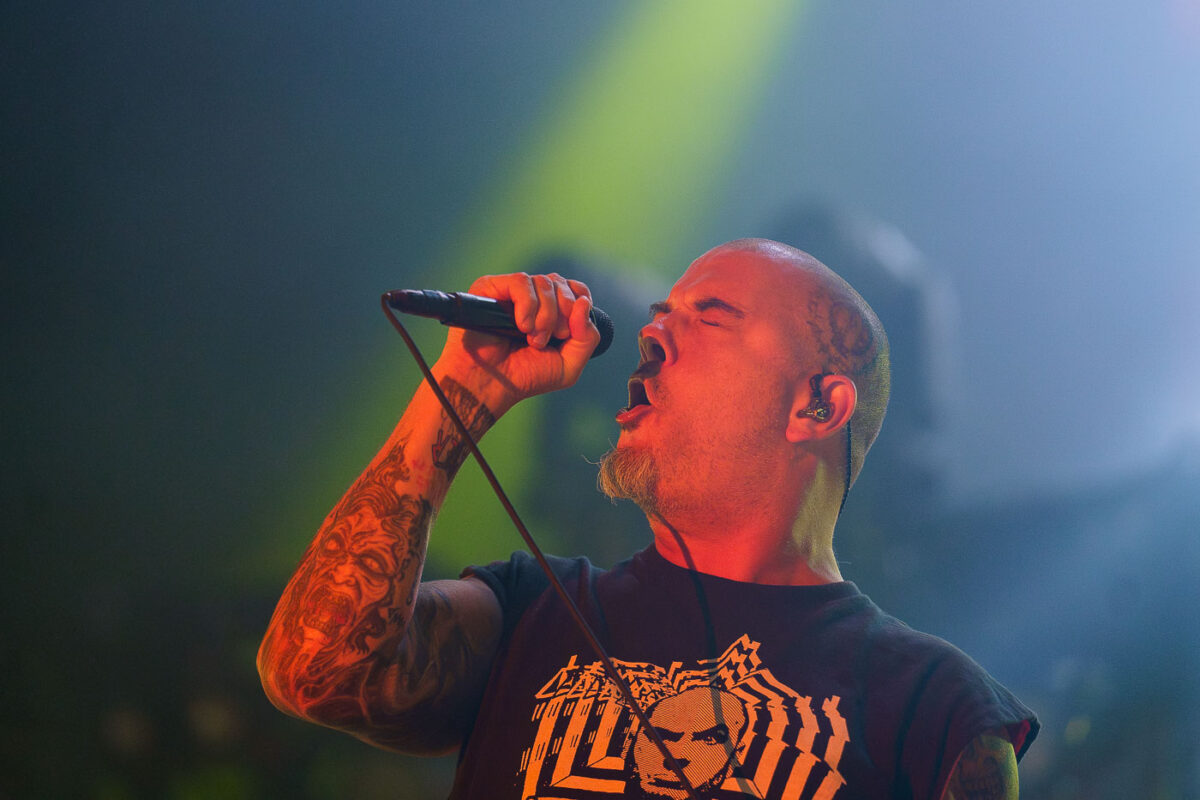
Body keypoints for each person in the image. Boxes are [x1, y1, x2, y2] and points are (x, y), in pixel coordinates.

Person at [258, 239, 1038, 799]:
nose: (652, 332)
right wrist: (464, 384)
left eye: (710, 316)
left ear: (816, 403)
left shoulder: (938, 708)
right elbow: (315, 671)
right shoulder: (533, 610)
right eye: (662, 312)